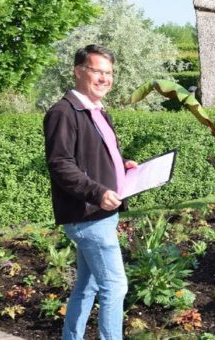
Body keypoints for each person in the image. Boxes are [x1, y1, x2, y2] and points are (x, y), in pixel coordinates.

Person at [43, 44, 136, 340]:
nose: (105, 78)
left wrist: (122, 166)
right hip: (88, 216)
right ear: (78, 71)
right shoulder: (63, 112)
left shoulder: (96, 112)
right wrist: (97, 192)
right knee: (115, 286)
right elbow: (60, 165)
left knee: (89, 285)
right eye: (98, 71)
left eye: (109, 73)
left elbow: (95, 155)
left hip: (101, 215)